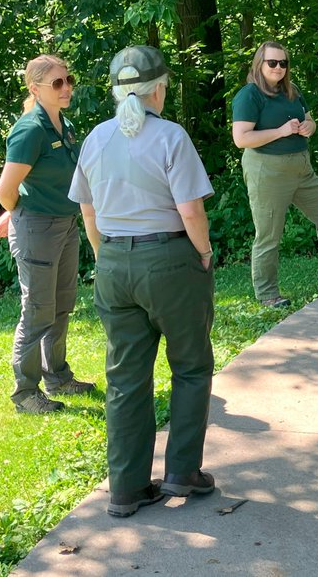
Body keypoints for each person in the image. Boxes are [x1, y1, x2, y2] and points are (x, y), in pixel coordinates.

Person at [69, 45, 217, 518]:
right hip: (170, 259)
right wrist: (205, 252)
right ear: (159, 88)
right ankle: (182, 473)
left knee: (126, 379)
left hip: (113, 262)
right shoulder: (171, 136)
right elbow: (191, 210)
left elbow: (87, 210)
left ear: (116, 92)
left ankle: (127, 488)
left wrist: (104, 254)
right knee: (191, 366)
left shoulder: (95, 138)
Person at [0, 54, 95, 415]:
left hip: (65, 225)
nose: (67, 88)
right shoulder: (30, 129)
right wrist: (15, 211)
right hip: (38, 228)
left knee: (62, 305)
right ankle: (25, 393)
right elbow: (7, 188)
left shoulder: (61, 123)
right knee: (37, 310)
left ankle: (58, 376)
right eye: (57, 83)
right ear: (35, 89)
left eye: (69, 80)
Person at [230, 41, 318, 308]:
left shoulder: (292, 91)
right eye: (272, 62)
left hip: (301, 168)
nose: (279, 67)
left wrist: (308, 127)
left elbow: (311, 120)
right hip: (267, 170)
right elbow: (241, 138)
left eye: (283, 63)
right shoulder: (250, 95)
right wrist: (281, 131)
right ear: (260, 64)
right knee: (269, 234)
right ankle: (267, 294)